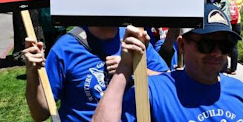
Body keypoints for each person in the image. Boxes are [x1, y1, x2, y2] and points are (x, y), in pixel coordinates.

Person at [92, 4, 243, 122]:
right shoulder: (152, 92)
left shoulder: (240, 91)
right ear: (182, 46)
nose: (216, 53)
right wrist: (124, 69)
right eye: (206, 45)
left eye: (225, 45)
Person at [22, 26, 168, 122]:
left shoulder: (133, 38)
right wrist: (32, 73)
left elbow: (167, 82)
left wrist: (134, 71)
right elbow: (40, 114)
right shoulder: (65, 48)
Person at [221, 0, 242, 75]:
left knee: (224, 45)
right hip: (237, 23)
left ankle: (224, 67)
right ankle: (233, 69)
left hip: (228, 23)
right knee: (234, 46)